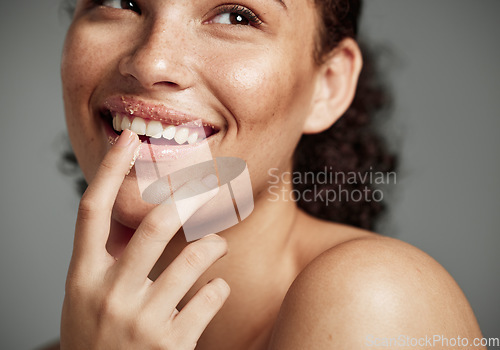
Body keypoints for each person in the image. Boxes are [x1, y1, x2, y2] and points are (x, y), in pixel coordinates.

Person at [41, 0, 484, 348]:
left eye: (236, 16)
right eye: (120, 1)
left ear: (327, 85)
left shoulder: (378, 300)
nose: (151, 63)